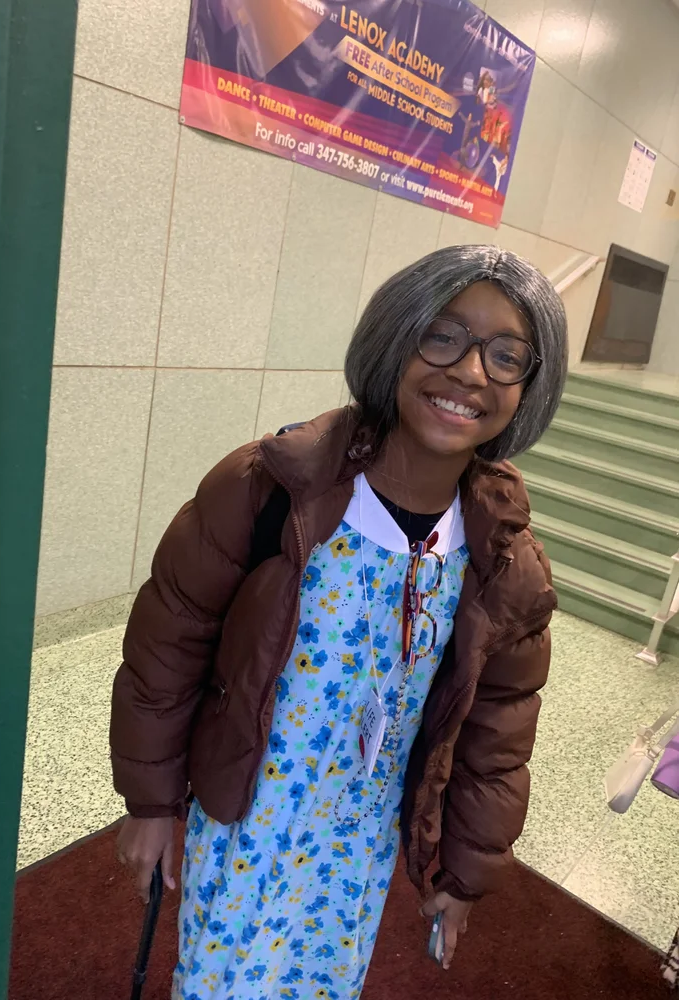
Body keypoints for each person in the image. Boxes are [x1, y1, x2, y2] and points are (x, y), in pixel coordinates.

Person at [110, 244, 568, 999]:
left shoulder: (505, 562)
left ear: (529, 387)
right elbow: (168, 644)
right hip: (245, 821)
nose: (470, 372)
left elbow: (498, 731)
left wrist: (462, 870)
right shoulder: (270, 489)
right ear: (395, 336)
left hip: (359, 840)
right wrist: (151, 803)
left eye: (507, 355)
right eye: (443, 335)